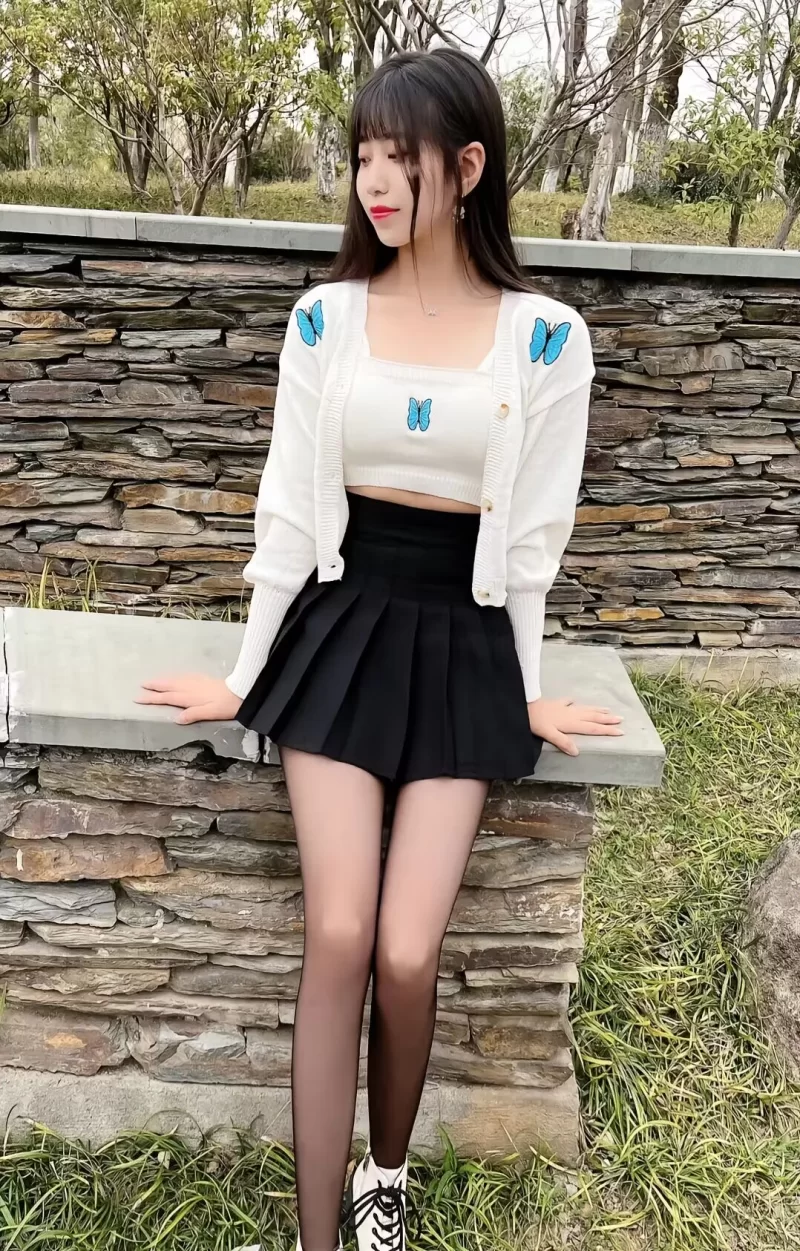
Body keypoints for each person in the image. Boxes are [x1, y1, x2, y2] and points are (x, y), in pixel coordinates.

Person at [137, 46, 623, 1251]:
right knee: (342, 934)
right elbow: (287, 518)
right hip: (341, 630)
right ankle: (317, 1237)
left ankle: (384, 1181)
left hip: (464, 642)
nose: (374, 180)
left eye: (399, 156)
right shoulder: (325, 319)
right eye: (361, 154)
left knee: (407, 953)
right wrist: (246, 675)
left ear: (468, 166)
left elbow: (531, 548)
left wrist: (523, 693)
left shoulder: (546, 340)